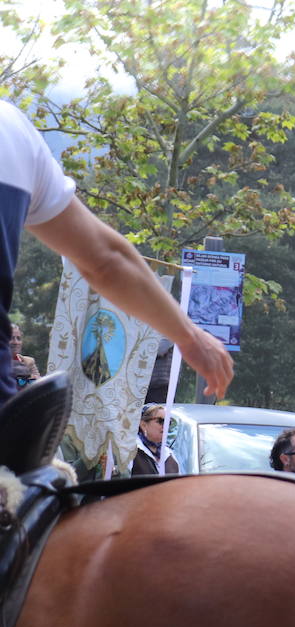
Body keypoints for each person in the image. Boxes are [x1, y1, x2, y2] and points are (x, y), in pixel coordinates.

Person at [0, 100, 233, 408]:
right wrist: (189, 335)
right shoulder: (12, 129)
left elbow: (108, 260)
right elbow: (106, 261)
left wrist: (189, 335)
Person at [129, 403, 180, 476]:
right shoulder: (131, 453)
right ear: (143, 425)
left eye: (168, 422)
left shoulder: (169, 455)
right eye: (160, 421)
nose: (165, 426)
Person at [9, 322, 39, 388]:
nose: (16, 342)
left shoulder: (29, 361)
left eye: (18, 338)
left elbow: (38, 384)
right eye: (11, 338)